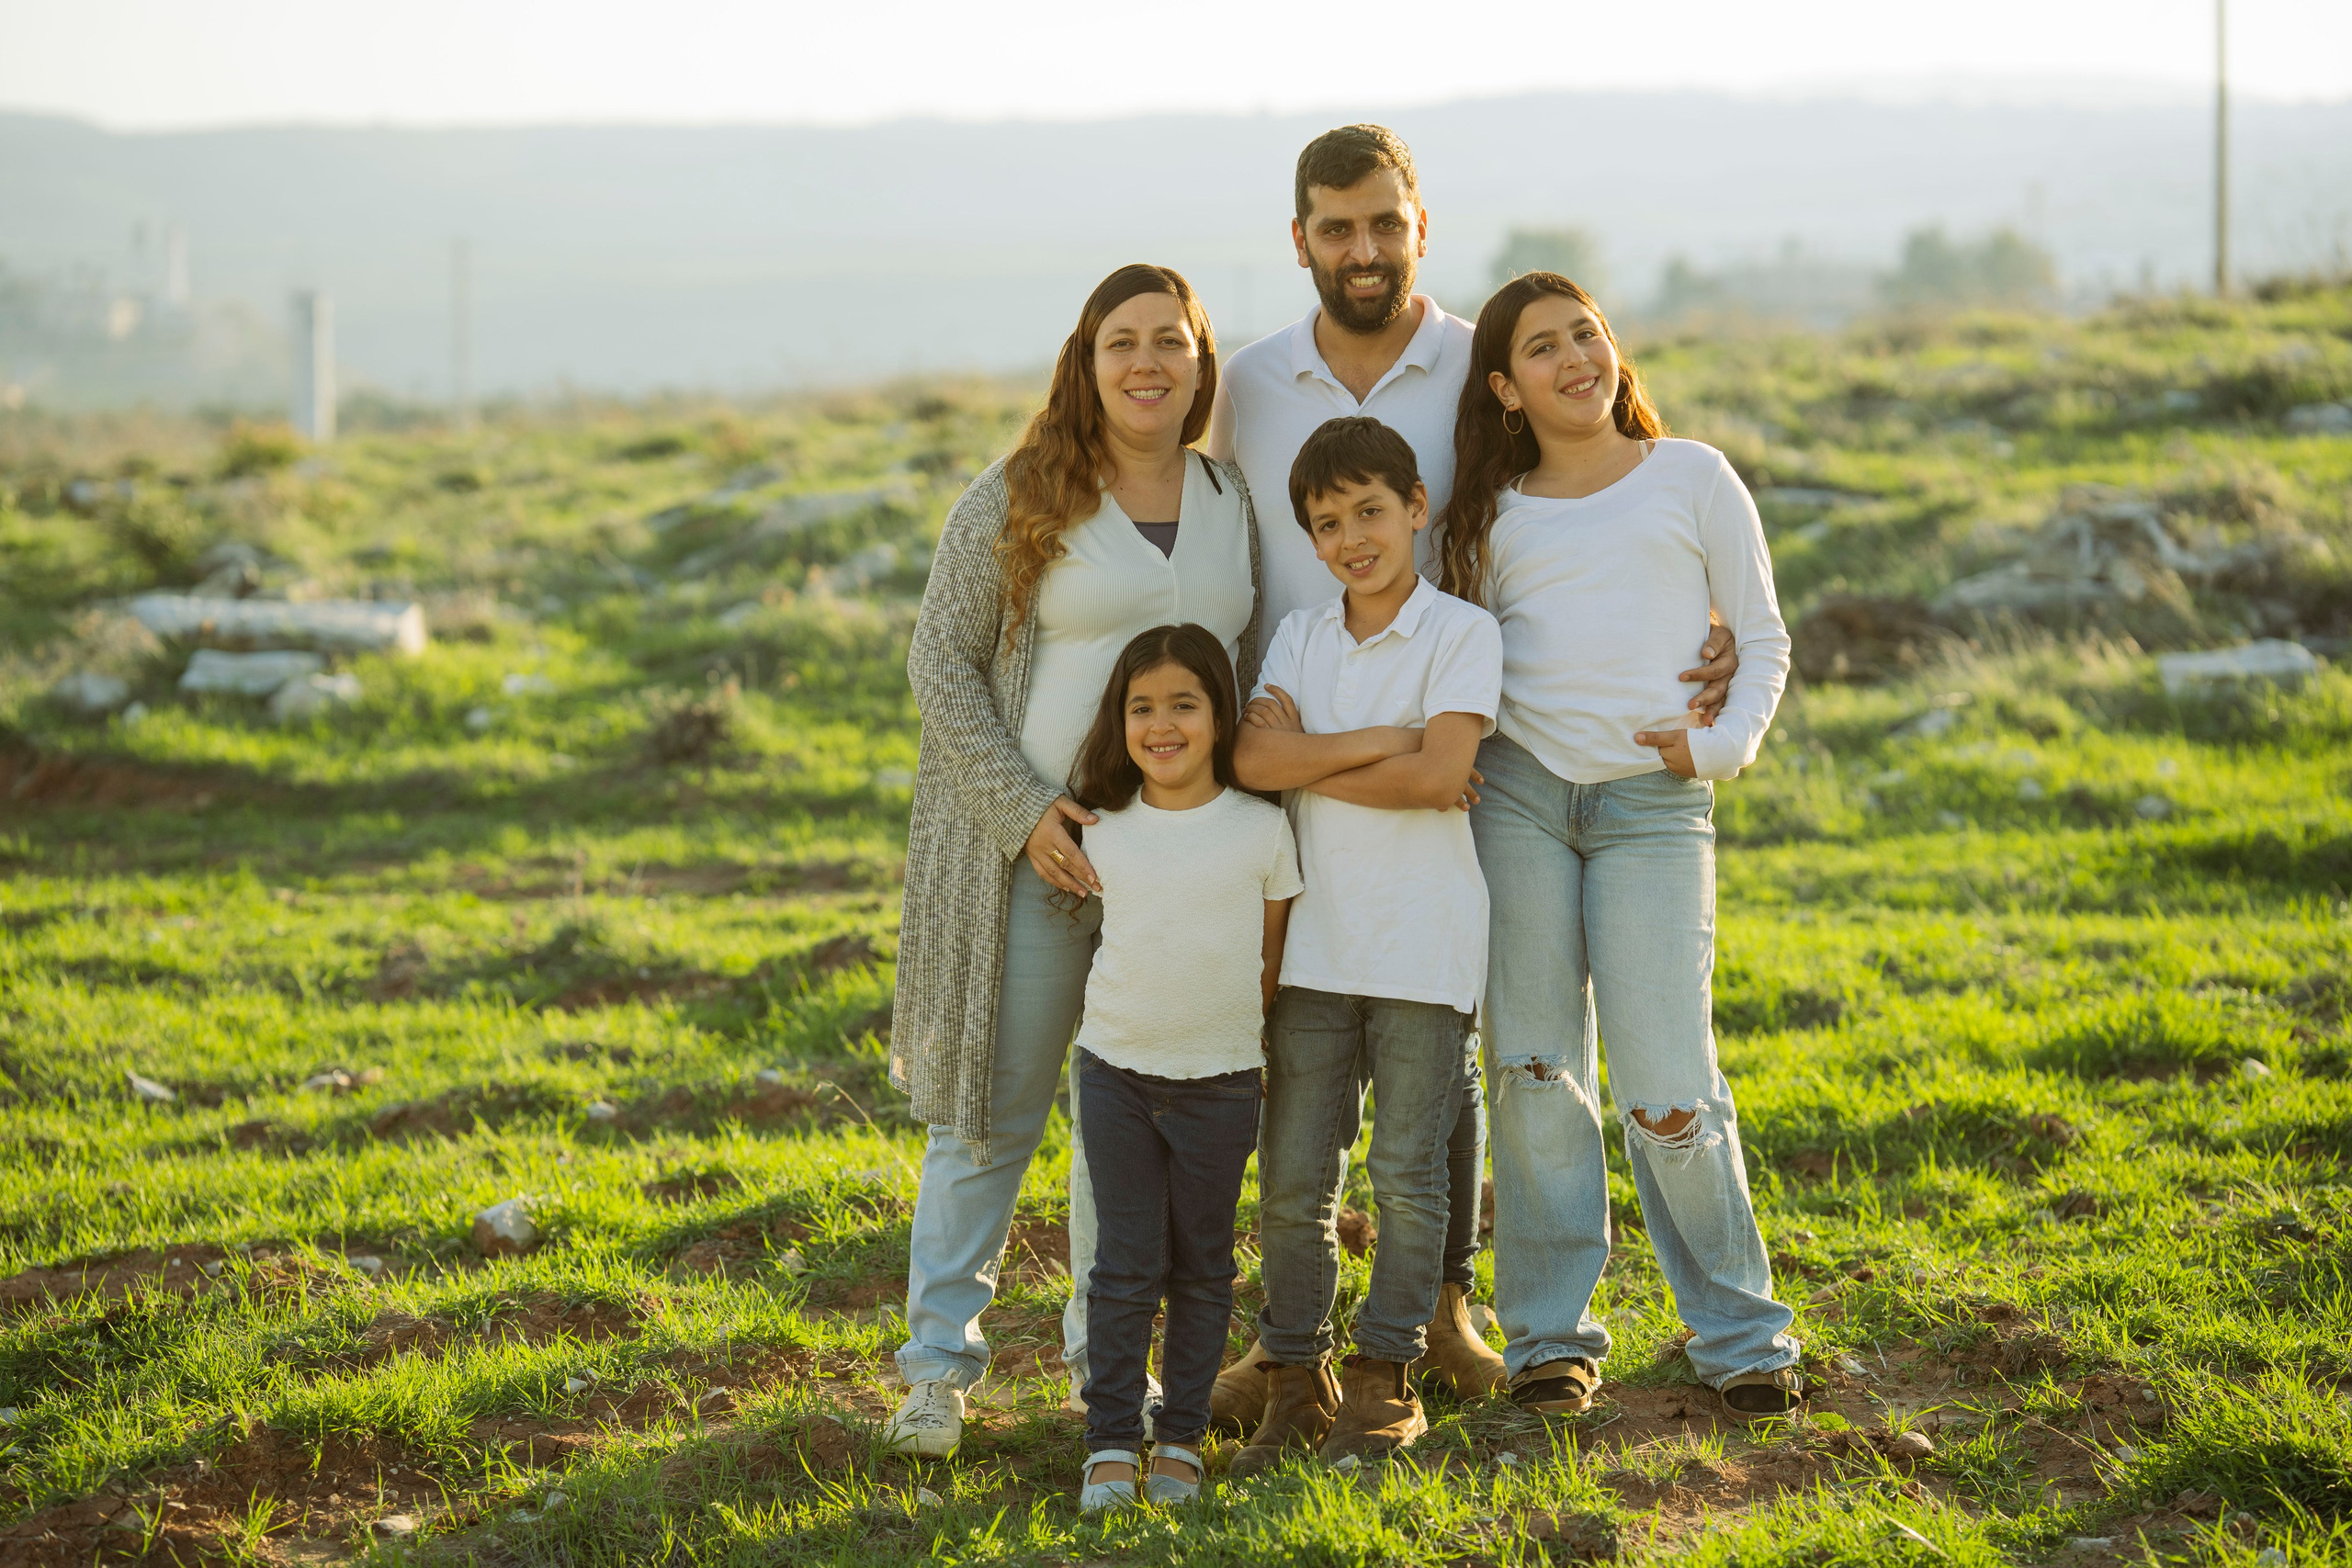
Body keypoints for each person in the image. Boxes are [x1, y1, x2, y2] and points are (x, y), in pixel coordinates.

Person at [1203, 120, 1738, 1423]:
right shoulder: (1257, 380)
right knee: (1300, 1047)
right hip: (1295, 717)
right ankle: (1290, 1342)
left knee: (1439, 1025)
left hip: (1462, 733)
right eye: (1337, 227)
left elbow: (1569, 482)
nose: (1364, 248)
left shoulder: (1470, 366)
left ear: (1420, 227)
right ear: (1301, 243)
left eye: (1385, 222)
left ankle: (1438, 1308)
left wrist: (1693, 635)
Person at [887, 264, 1262, 1458]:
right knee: (988, 1122)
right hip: (1043, 858)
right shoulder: (1020, 494)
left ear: (1202, 362)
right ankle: (936, 1371)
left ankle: (1111, 1374)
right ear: (1085, 361)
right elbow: (940, 667)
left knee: (1133, 1134)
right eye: (1122, 342)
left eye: (1171, 340)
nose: (1147, 362)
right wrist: (1027, 813)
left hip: (1176, 875)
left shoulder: (1227, 497)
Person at [1438, 270, 1803, 1420]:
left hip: (1653, 806)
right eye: (1542, 350)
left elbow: (1760, 635)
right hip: (1524, 803)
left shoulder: (1690, 475)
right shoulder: (1487, 517)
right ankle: (1549, 1336)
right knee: (1536, 1073)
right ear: (1505, 387)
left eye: (1586, 335)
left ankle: (1739, 1335)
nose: (1575, 360)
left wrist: (1723, 746)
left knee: (1666, 1084)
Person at [1227, 417, 1499, 1473]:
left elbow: (1442, 782)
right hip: (1311, 956)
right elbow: (1251, 758)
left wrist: (1309, 761)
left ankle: (1384, 1379)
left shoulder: (1459, 635)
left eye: (1370, 512)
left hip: (1424, 951)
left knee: (1408, 1176)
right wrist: (1391, 739)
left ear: (1416, 508)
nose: (1351, 537)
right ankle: (1294, 1379)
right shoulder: (1301, 636)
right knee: (1296, 1180)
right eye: (1326, 522)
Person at [1062, 625, 1301, 1512]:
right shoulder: (1102, 828)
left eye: (1183, 705)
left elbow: (1269, 968)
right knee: (1124, 1264)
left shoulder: (1262, 829)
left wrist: (1231, 1043)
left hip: (1222, 1082)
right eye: (1142, 707)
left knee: (1203, 1267)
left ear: (1219, 715)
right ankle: (1112, 1442)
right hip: (1116, 1073)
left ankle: (1181, 1440)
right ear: (1120, 720)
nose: (1162, 725)